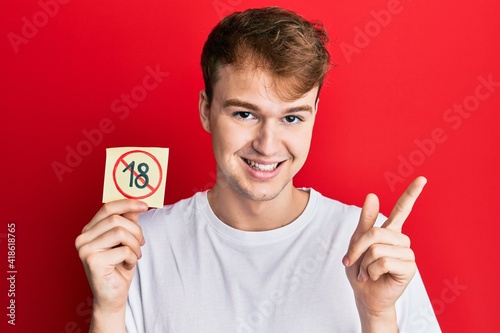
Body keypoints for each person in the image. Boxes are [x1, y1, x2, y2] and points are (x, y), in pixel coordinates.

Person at [75, 7, 441, 333]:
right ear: (206, 110)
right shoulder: (139, 245)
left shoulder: (370, 248)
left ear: (314, 116)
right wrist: (108, 310)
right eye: (245, 114)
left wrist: (377, 316)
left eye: (292, 117)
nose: (267, 144)